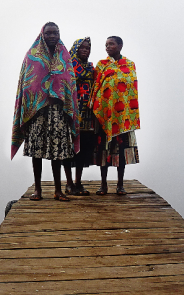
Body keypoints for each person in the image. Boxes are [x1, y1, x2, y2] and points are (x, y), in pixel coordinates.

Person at [11, 22, 80, 201]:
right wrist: (38, 99)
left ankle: (58, 190)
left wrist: (59, 96)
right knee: (37, 152)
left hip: (58, 111)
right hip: (37, 112)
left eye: (55, 33)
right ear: (42, 34)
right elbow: (27, 84)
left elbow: (69, 82)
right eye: (48, 33)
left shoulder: (64, 56)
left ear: (59, 34)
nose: (52, 36)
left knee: (57, 152)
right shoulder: (32, 55)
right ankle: (38, 189)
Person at [89, 36, 140, 195]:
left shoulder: (129, 65)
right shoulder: (101, 65)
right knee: (103, 150)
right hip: (105, 115)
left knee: (121, 151)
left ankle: (120, 185)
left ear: (120, 45)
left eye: (111, 44)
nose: (108, 47)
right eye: (106, 45)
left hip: (122, 117)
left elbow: (131, 89)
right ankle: (103, 185)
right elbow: (96, 87)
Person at [63, 37, 96, 196]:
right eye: (82, 47)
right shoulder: (67, 66)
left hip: (87, 114)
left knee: (83, 150)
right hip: (71, 113)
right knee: (69, 149)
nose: (85, 50)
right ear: (75, 49)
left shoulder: (91, 67)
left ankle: (78, 182)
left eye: (88, 48)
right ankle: (68, 183)